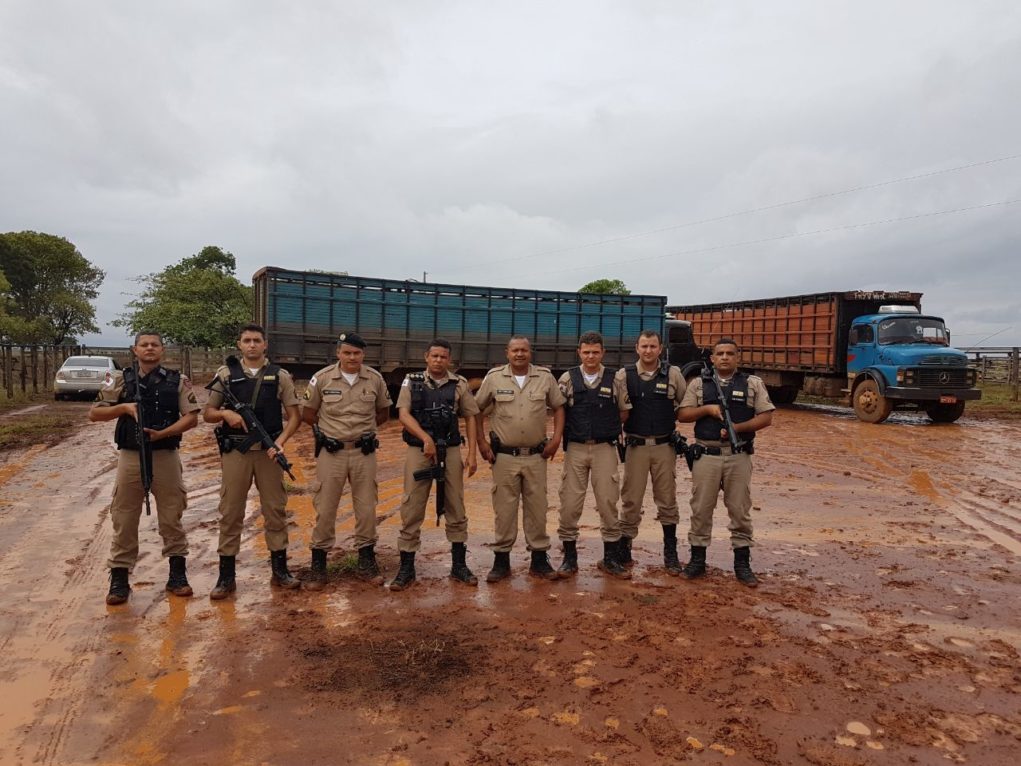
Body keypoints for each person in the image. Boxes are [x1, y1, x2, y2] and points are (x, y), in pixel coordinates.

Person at [89, 331, 201, 605]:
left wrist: (163, 434)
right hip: (130, 455)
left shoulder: (178, 381)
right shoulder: (119, 379)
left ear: (162, 350)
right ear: (134, 350)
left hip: (165, 454)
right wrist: (124, 408)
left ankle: (177, 574)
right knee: (124, 515)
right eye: (144, 345)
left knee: (171, 513)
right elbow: (95, 413)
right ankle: (119, 578)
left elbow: (192, 418)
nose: (149, 349)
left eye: (155, 345)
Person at [202, 323, 302, 599]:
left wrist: (280, 443)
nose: (252, 345)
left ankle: (280, 570)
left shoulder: (279, 376)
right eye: (247, 340)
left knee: (275, 510)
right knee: (231, 511)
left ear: (265, 344)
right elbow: (208, 413)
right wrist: (227, 416)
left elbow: (294, 416)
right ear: (239, 344)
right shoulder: (226, 375)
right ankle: (226, 576)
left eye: (257, 340)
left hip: (269, 453)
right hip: (237, 453)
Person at [677, 338, 774, 586]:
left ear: (737, 357)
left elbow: (766, 417)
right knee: (701, 509)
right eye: (719, 353)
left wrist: (737, 427)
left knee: (740, 510)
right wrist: (707, 410)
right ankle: (697, 560)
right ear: (712, 358)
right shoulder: (699, 384)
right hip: (706, 455)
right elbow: (683, 414)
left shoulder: (752, 383)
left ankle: (742, 563)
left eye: (730, 353)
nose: (724, 357)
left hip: (738, 455)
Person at [301, 332, 392, 588]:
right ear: (338, 353)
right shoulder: (322, 378)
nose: (352, 358)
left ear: (363, 355)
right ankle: (318, 565)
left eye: (357, 353)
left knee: (366, 508)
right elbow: (308, 413)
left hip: (364, 453)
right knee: (326, 508)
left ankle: (366, 561)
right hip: (332, 453)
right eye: (347, 353)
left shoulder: (374, 379)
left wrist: (364, 434)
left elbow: (383, 413)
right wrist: (328, 434)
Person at [388, 338, 481, 591]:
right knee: (412, 504)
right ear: (426, 357)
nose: (439, 360)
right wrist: (425, 437)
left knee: (456, 504)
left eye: (443, 357)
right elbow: (403, 414)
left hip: (450, 450)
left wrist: (472, 454)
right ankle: (407, 567)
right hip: (420, 450)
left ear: (449, 360)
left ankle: (459, 565)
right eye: (435, 356)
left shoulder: (458, 384)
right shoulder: (412, 380)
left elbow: (471, 417)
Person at [476, 335, 566, 582]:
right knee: (504, 509)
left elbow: (558, 407)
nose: (519, 354)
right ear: (507, 352)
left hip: (537, 456)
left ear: (530, 352)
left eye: (524, 350)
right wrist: (481, 442)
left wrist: (556, 439)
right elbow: (475, 410)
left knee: (537, 508)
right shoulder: (494, 378)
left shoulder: (545, 377)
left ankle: (539, 561)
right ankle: (501, 562)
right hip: (504, 457)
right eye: (515, 350)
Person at [555, 331, 630, 579]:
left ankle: (609, 558)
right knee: (569, 504)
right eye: (586, 352)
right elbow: (559, 410)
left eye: (595, 352)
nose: (590, 356)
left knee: (608, 503)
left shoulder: (615, 378)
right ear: (579, 352)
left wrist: (604, 428)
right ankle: (569, 558)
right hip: (576, 448)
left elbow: (623, 412)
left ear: (602, 353)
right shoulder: (567, 378)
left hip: (604, 448)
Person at [615, 329, 687, 574]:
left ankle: (670, 551)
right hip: (635, 447)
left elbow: (685, 405)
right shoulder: (625, 375)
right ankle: (624, 549)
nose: (648, 351)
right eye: (644, 346)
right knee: (631, 500)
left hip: (664, 447)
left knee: (667, 500)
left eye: (653, 346)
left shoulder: (673, 374)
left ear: (661, 349)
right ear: (637, 348)